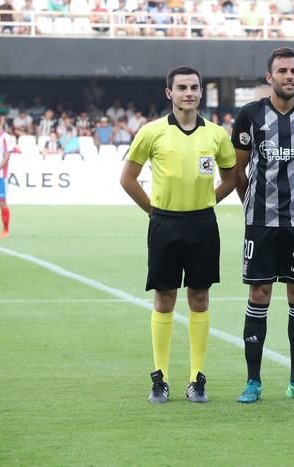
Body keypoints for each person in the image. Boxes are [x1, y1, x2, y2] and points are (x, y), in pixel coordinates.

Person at [120, 66, 236, 404]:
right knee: (164, 298)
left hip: (202, 225)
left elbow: (230, 178)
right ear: (168, 92)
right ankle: (160, 377)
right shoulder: (151, 132)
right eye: (182, 87)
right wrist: (152, 211)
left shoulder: (216, 134)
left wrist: (205, 202)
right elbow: (127, 178)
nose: (189, 92)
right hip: (165, 224)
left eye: (194, 87)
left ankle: (197, 378)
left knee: (199, 299)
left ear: (201, 92)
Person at [231, 47, 294, 403]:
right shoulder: (250, 115)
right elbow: (238, 170)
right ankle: (253, 382)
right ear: (269, 77)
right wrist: (252, 205)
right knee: (259, 294)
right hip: (260, 222)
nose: (290, 76)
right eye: (283, 71)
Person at [0, 123, 15, 238]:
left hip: (0, 175)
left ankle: (6, 229)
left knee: (2, 202)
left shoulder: (6, 138)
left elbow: (7, 156)